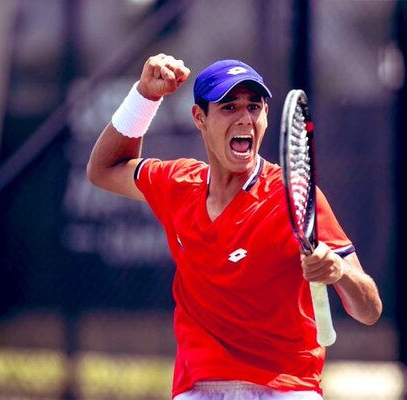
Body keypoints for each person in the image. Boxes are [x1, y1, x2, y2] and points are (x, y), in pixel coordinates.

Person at [87, 53, 382, 400]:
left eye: (254, 107)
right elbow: (104, 169)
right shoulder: (178, 184)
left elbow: (370, 310)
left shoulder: (296, 197)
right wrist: (145, 96)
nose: (245, 118)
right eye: (229, 107)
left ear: (266, 117)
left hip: (288, 389)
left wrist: (339, 274)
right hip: (199, 389)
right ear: (200, 117)